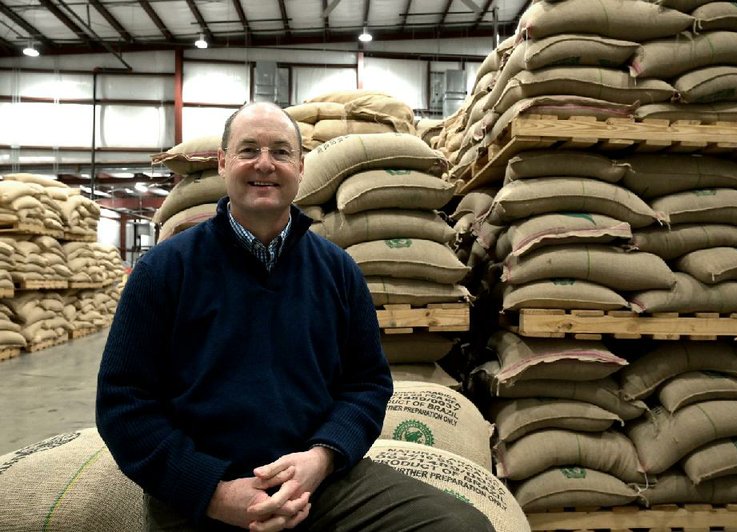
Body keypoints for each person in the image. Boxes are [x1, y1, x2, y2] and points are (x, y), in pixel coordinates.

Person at [96, 101, 495, 532]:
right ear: (222, 162)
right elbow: (123, 402)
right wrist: (212, 492)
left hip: (318, 484)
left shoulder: (337, 271)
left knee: (462, 526)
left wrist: (322, 458)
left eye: (280, 152)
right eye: (248, 150)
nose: (264, 164)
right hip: (202, 496)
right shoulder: (164, 271)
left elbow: (367, 384)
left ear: (301, 167)